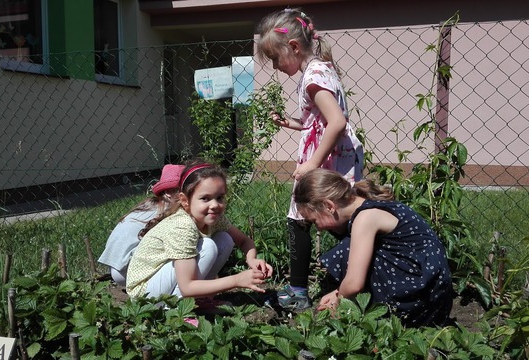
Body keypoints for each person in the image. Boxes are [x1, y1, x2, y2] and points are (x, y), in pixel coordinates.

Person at [256, 7, 364, 309]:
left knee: (303, 219)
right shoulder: (319, 69)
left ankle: (301, 292)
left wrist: (312, 164)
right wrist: (291, 122)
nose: (276, 66)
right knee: (341, 219)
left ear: (293, 47)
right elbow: (318, 120)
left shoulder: (314, 75)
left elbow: (337, 122)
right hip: (333, 157)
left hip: (326, 161)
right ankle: (334, 286)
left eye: (276, 58)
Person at [293, 168, 453, 327]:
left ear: (329, 206)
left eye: (314, 221)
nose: (318, 228)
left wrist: (337, 303)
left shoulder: (365, 218)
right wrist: (338, 293)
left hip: (424, 293)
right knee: (352, 250)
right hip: (431, 285)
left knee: (347, 253)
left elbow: (355, 283)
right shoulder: (369, 205)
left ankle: (380, 322)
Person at [126, 161, 273, 301]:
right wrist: (236, 280)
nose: (215, 205)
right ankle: (177, 310)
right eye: (205, 198)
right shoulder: (182, 226)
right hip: (144, 293)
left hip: (165, 283)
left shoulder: (215, 218)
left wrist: (252, 259)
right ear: (185, 201)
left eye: (220, 197)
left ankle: (200, 300)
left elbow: (244, 241)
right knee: (208, 246)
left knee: (225, 239)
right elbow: (187, 287)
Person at [98, 164, 185, 286]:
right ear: (170, 192)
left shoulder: (149, 205)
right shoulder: (172, 212)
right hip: (131, 271)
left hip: (116, 268)